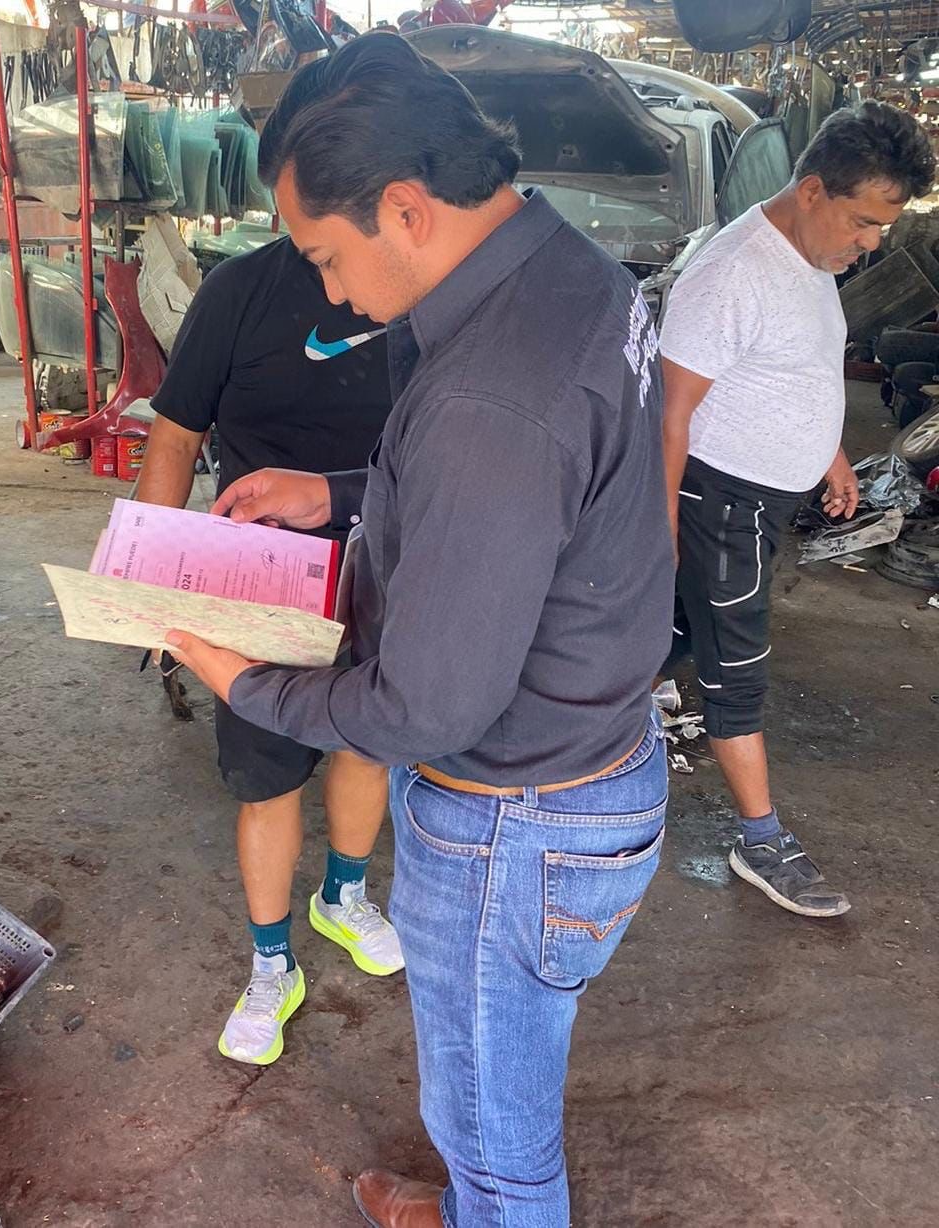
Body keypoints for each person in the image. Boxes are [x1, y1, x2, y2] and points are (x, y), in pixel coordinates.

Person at [166, 32, 673, 1227]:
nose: (333, 292)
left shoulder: (491, 388)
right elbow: (519, 495)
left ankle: (488, 1206)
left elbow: (422, 707)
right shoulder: (567, 272)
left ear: (404, 208)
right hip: (587, 768)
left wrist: (241, 679)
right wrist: (337, 493)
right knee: (488, 1092)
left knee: (498, 1136)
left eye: (327, 257)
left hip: (516, 824)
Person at [658, 102, 935, 918]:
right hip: (721, 499)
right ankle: (760, 839)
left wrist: (829, 451)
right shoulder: (731, 274)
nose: (872, 243)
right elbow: (669, 415)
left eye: (884, 225)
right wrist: (660, 525)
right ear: (812, 190)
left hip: (762, 496)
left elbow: (804, 363)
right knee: (736, 671)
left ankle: (564, 726)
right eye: (864, 221)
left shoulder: (811, 252)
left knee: (673, 631)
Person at [137, 230, 403, 1067]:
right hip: (258, 572)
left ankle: (343, 895)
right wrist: (151, 579)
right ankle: (271, 961)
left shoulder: (416, 283)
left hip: (385, 559)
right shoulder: (240, 291)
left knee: (369, 740)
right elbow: (175, 436)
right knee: (266, 772)